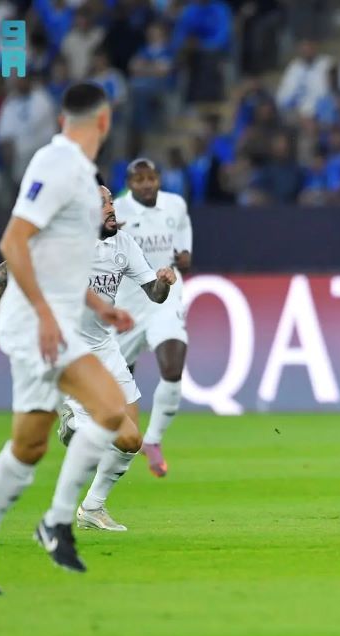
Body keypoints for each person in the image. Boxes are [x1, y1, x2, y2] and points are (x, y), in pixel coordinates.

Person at [0, 83, 129, 595]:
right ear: (103, 121)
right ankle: (56, 522)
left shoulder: (81, 177)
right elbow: (13, 243)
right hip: (35, 324)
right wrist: (48, 316)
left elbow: (58, 260)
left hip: (51, 321)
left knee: (29, 446)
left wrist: (98, 305)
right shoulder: (56, 165)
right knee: (111, 411)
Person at [0, 185, 177, 532]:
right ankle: (74, 422)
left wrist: (164, 282)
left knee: (130, 440)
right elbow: (5, 270)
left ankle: (92, 508)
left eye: (111, 201)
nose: (111, 208)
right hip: (68, 350)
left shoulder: (124, 245)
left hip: (104, 347)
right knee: (114, 433)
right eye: (102, 204)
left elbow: (155, 295)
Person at [113, 158, 193, 477]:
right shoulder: (115, 212)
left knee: (173, 367)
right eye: (139, 179)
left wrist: (184, 253)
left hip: (165, 299)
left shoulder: (175, 205)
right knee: (115, 385)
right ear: (129, 184)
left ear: (159, 179)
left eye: (151, 178)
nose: (146, 184)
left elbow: (183, 235)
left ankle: (153, 439)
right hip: (126, 306)